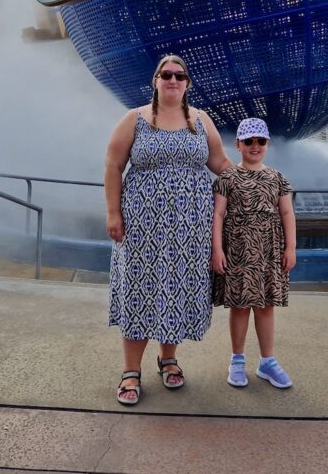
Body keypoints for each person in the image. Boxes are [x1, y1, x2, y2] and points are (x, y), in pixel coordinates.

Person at [105, 54, 233, 406]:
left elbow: (218, 163)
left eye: (179, 75)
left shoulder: (200, 120)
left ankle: (169, 358)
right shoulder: (136, 119)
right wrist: (114, 213)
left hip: (190, 226)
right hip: (141, 224)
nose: (173, 79)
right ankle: (131, 371)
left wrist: (252, 177)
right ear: (156, 81)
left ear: (187, 83)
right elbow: (114, 165)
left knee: (175, 289)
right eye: (166, 74)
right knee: (140, 289)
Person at [211, 118, 298, 389]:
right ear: (238, 145)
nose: (255, 146)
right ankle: (237, 360)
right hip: (237, 250)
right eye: (249, 141)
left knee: (265, 306)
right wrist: (217, 250)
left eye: (260, 141)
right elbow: (218, 214)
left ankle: (267, 361)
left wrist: (291, 247)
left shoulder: (277, 177)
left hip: (269, 251)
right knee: (239, 307)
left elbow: (287, 213)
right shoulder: (227, 177)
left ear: (267, 144)